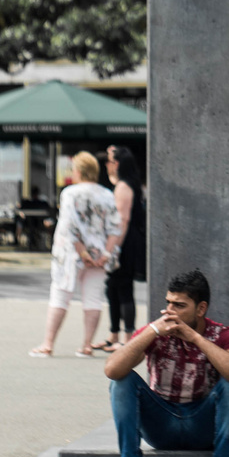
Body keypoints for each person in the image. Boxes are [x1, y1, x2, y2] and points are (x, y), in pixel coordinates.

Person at [100, 268, 229, 457]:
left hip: (202, 426)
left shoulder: (223, 334)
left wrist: (196, 338)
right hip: (162, 424)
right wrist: (152, 331)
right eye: (168, 303)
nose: (170, 311)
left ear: (200, 309)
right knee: (122, 381)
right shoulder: (156, 331)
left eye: (179, 305)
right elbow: (112, 370)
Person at [29, 151, 122, 359]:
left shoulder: (70, 193)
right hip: (100, 254)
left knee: (61, 295)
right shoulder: (107, 194)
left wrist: (82, 252)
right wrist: (106, 253)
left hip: (71, 254)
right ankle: (87, 345)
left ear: (78, 171)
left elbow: (69, 226)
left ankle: (48, 344)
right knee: (93, 298)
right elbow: (115, 228)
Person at [93, 146, 146, 354]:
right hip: (126, 242)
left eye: (109, 160)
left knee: (122, 288)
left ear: (117, 164)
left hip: (124, 244)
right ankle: (114, 335)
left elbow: (122, 221)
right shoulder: (126, 184)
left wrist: (112, 249)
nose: (106, 164)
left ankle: (127, 338)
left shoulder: (124, 187)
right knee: (113, 287)